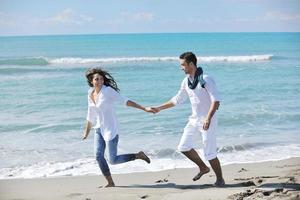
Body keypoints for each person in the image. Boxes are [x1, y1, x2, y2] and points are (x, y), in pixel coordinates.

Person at [151, 52, 225, 186]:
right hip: (194, 120)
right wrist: (159, 108)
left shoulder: (206, 79)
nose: (181, 67)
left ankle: (220, 179)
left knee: (209, 152)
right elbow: (177, 100)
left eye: (183, 64)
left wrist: (208, 118)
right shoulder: (186, 81)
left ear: (191, 64)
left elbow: (216, 101)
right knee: (183, 147)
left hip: (208, 119)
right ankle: (203, 168)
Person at [82, 67, 153, 188]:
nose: (99, 81)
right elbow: (90, 114)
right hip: (99, 129)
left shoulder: (108, 91)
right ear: (92, 81)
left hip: (110, 129)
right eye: (96, 79)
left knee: (113, 160)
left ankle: (137, 155)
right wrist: (86, 131)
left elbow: (125, 101)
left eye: (101, 79)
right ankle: (110, 182)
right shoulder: (90, 93)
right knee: (98, 157)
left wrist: (144, 108)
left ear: (103, 81)